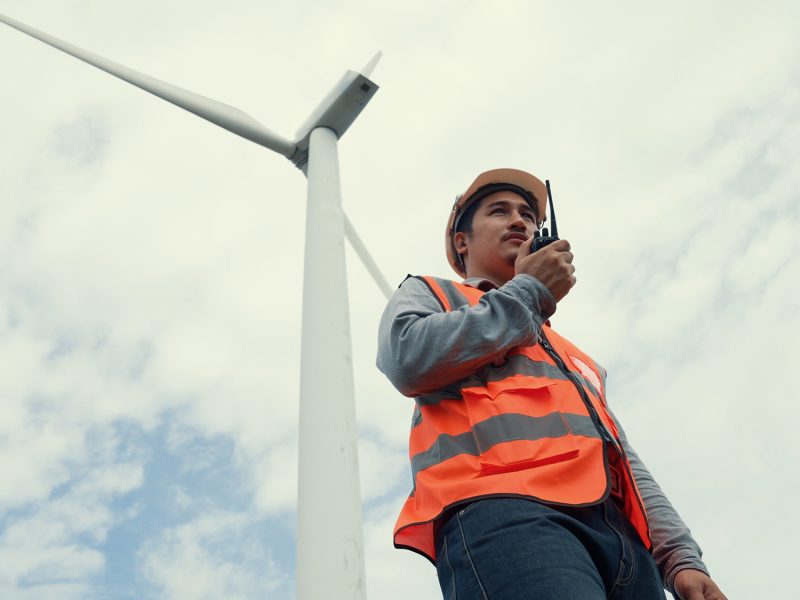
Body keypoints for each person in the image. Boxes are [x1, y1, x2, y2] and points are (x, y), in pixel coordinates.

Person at [377, 169, 727, 599]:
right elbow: (406, 358)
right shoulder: (431, 294)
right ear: (461, 242)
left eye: (528, 215)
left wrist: (679, 557)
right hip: (509, 515)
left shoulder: (572, 356)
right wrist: (531, 292)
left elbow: (623, 459)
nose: (520, 222)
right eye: (499, 211)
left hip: (622, 546)